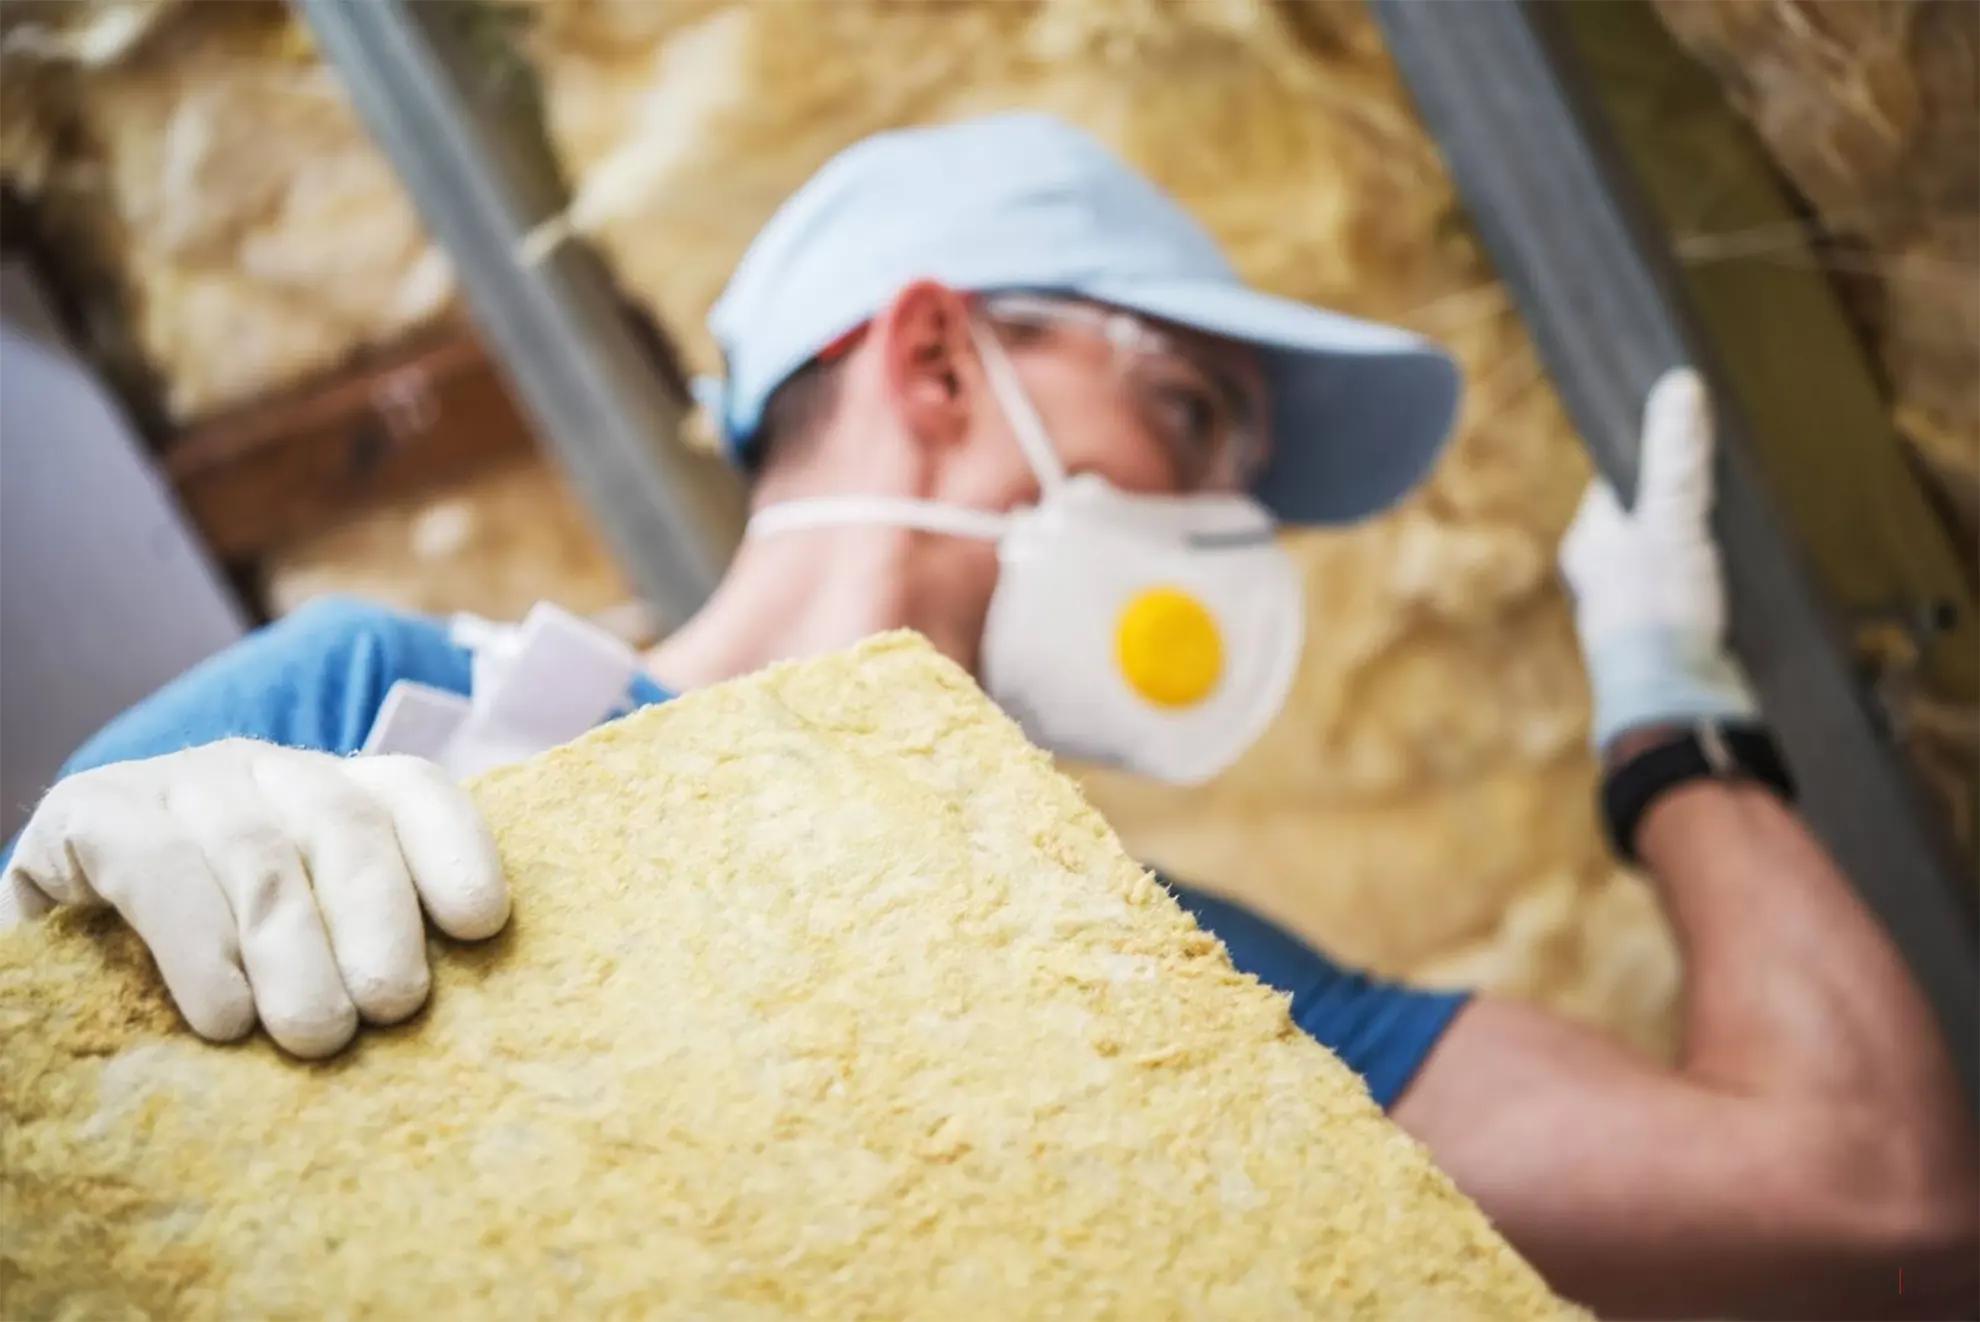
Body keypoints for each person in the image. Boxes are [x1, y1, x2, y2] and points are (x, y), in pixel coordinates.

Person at [4, 113, 1974, 1319]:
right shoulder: (360, 721)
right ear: (938, 354)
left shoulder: (1181, 978)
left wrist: (1672, 723)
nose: (1225, 535)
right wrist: (45, 969)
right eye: (1189, 418)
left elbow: (1866, 1199)